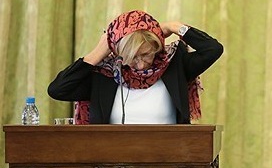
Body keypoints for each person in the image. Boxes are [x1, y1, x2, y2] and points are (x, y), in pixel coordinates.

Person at [48, 10, 224, 124]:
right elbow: (57, 90)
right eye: (132, 58)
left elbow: (213, 50)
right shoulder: (104, 75)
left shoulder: (174, 65)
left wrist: (175, 27)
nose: (140, 64)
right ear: (117, 53)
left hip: (168, 165)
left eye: (146, 54)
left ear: (156, 47)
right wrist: (97, 53)